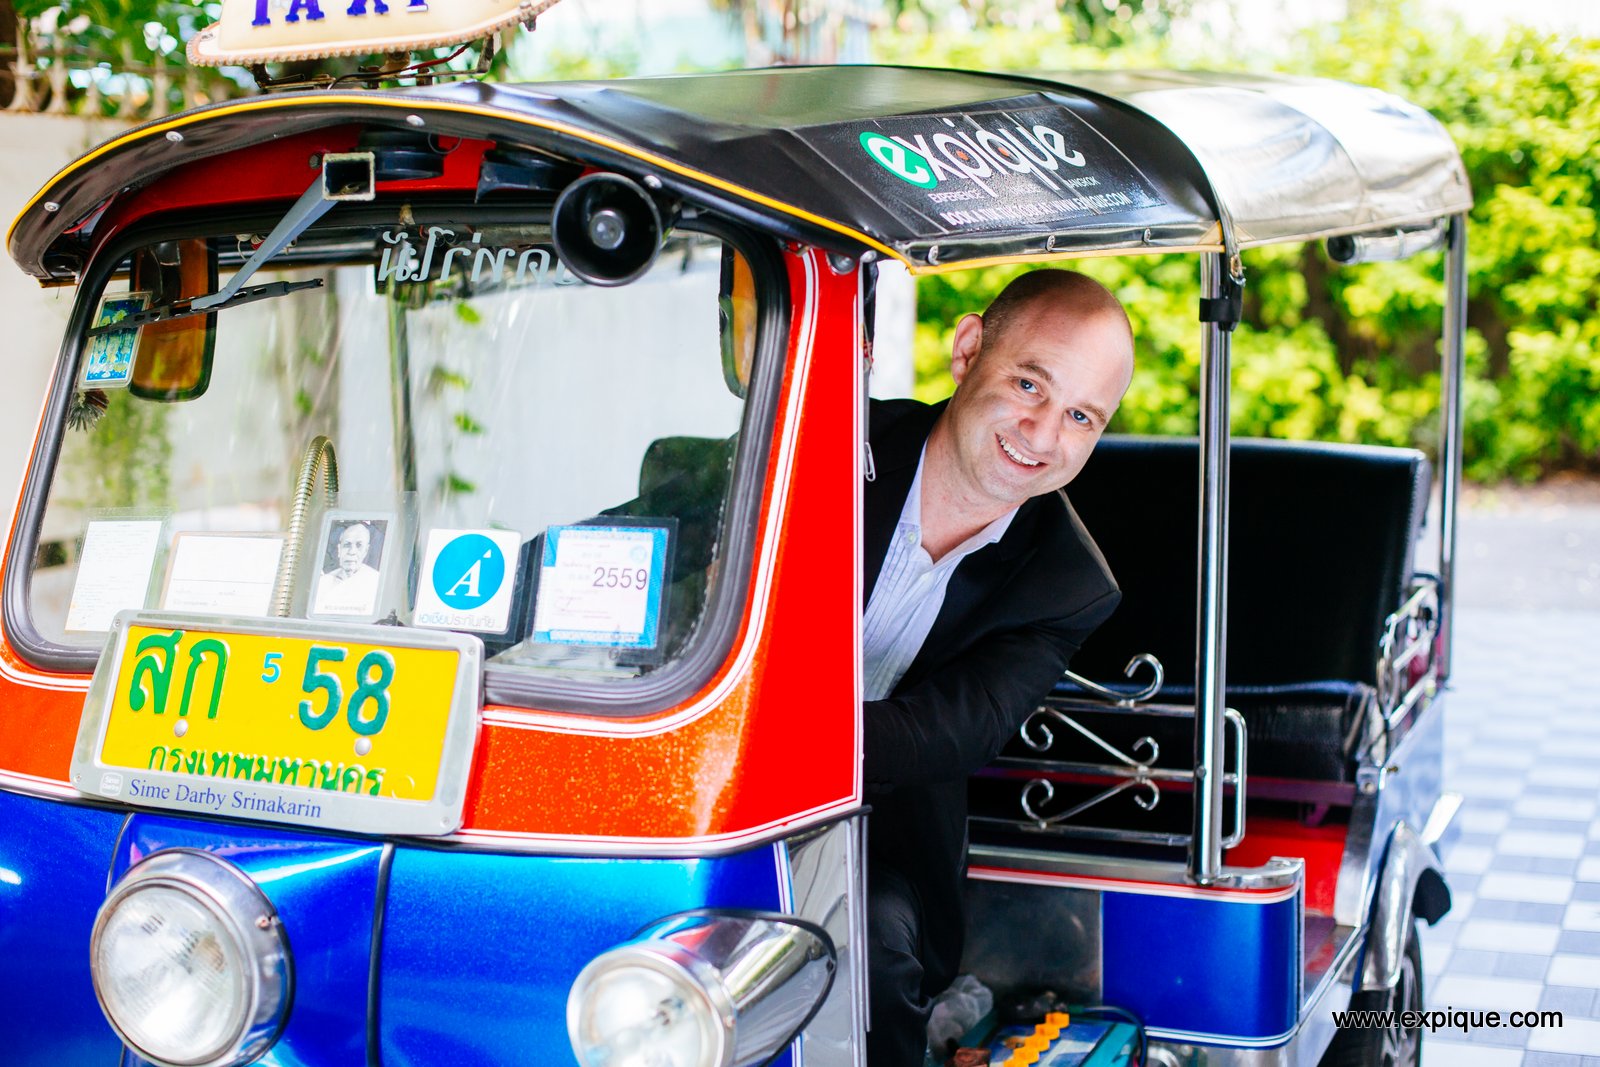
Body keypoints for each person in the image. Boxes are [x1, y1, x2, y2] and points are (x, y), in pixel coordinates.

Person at [863, 269, 1134, 1065]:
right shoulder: (826, 443)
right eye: (1028, 383)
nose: (1043, 435)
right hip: (694, 785)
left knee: (866, 954)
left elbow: (949, 731)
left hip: (878, 834)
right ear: (968, 347)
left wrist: (759, 739)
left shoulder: (1070, 582)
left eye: (1082, 416)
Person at [315, 520, 381, 615]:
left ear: (365, 551)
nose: (352, 551)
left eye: (359, 546)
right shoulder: (323, 582)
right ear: (339, 549)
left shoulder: (375, 581)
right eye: (347, 545)